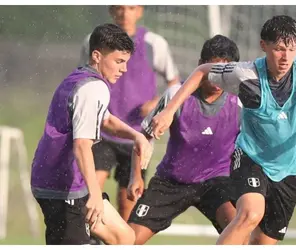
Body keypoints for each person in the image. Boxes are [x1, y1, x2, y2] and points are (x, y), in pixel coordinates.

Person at [150, 15, 296, 245]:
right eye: (278, 49)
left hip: (290, 170)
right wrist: (168, 112)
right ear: (263, 46)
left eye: (291, 49)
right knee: (250, 215)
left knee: (263, 243)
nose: (285, 57)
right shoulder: (246, 75)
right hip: (251, 158)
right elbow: (203, 71)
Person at [30, 23, 152, 245]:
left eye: (126, 62)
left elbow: (104, 119)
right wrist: (95, 194)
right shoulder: (93, 88)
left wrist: (137, 136)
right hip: (61, 188)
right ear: (97, 55)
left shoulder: (81, 78)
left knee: (123, 237)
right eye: (118, 61)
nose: (124, 69)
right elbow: (81, 145)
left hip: (65, 182)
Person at [126, 35, 241, 245]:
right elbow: (144, 136)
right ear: (200, 66)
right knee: (127, 240)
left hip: (216, 183)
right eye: (213, 70)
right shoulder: (176, 95)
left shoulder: (241, 103)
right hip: (171, 181)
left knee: (240, 234)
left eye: (225, 71)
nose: (217, 79)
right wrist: (136, 176)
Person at [79, 5, 179, 221]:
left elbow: (174, 84)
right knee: (91, 191)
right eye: (120, 8)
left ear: (140, 11)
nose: (125, 14)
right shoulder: (92, 41)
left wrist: (156, 102)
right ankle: (91, 238)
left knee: (127, 205)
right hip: (102, 131)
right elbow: (82, 78)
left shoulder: (155, 43)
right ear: (111, 10)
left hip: (138, 136)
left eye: (131, 8)